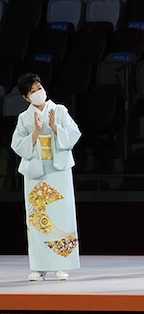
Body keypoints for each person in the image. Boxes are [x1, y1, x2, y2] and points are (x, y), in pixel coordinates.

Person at [11, 73, 82, 281]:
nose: (38, 93)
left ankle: (62, 264)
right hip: (36, 171)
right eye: (32, 91)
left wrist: (54, 127)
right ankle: (39, 267)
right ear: (26, 98)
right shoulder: (24, 118)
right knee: (37, 219)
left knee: (62, 215)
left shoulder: (59, 110)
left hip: (59, 168)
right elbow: (16, 144)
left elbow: (74, 133)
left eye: (39, 88)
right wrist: (35, 133)